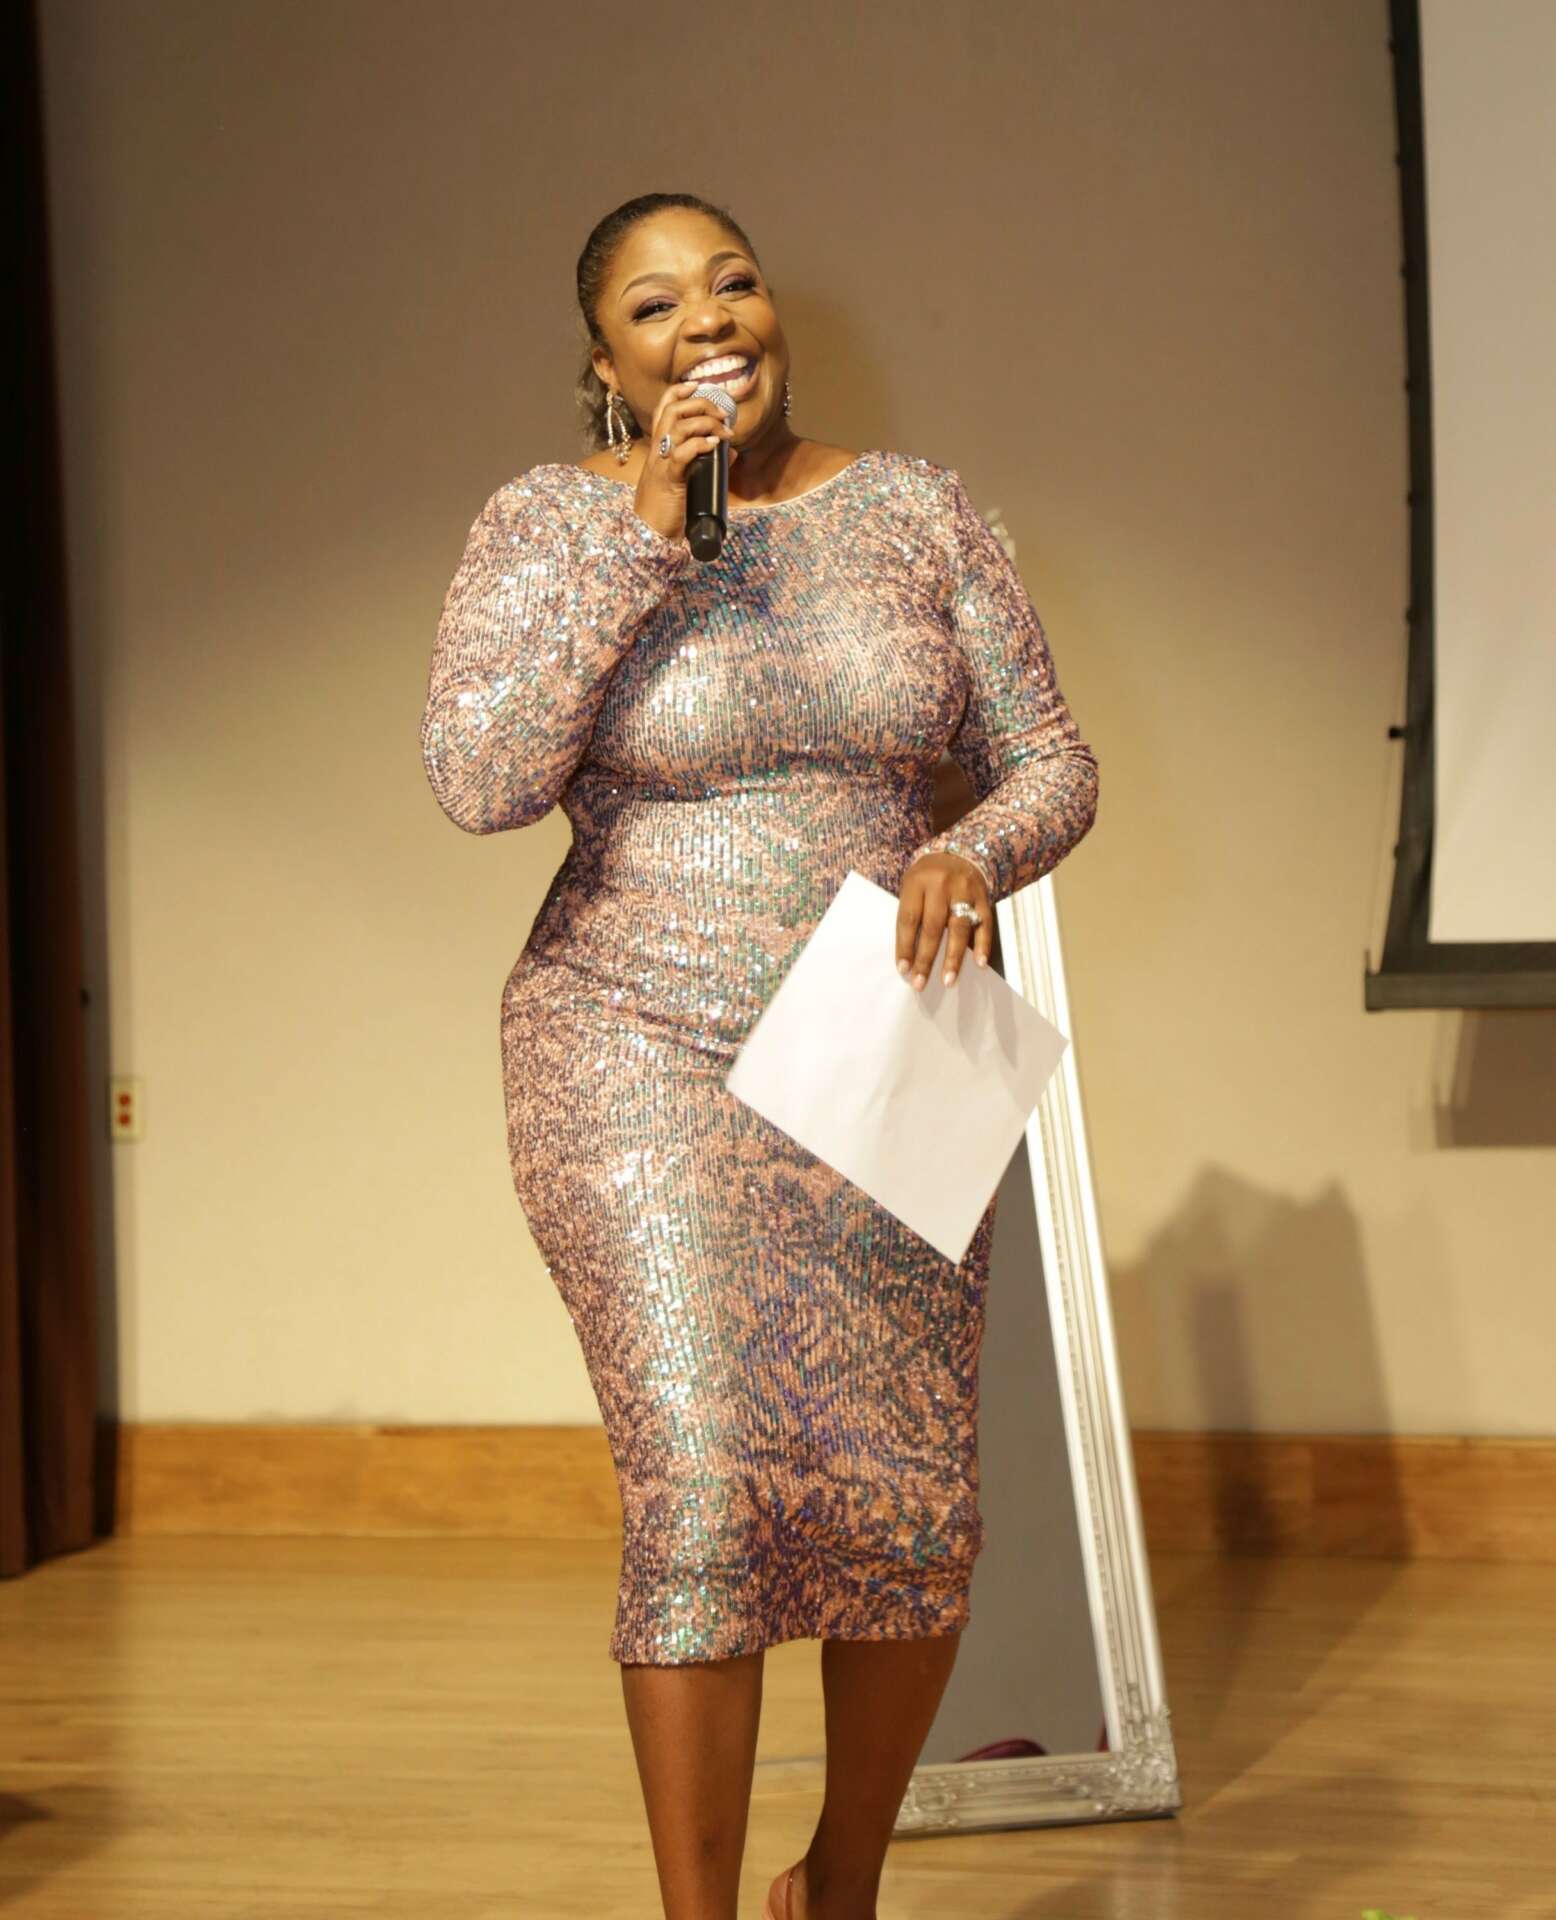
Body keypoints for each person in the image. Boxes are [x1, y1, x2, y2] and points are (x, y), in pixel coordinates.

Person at [419, 192, 1099, 1920]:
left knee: (905, 1516)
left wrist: (973, 850)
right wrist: (651, 526)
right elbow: (481, 781)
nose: (709, 320)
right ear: (607, 363)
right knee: (706, 1495)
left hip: (885, 1046)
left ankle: (839, 1888)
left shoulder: (919, 509)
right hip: (630, 1042)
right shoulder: (546, 524)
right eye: (657, 306)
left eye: (732, 282)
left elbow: (1053, 762)